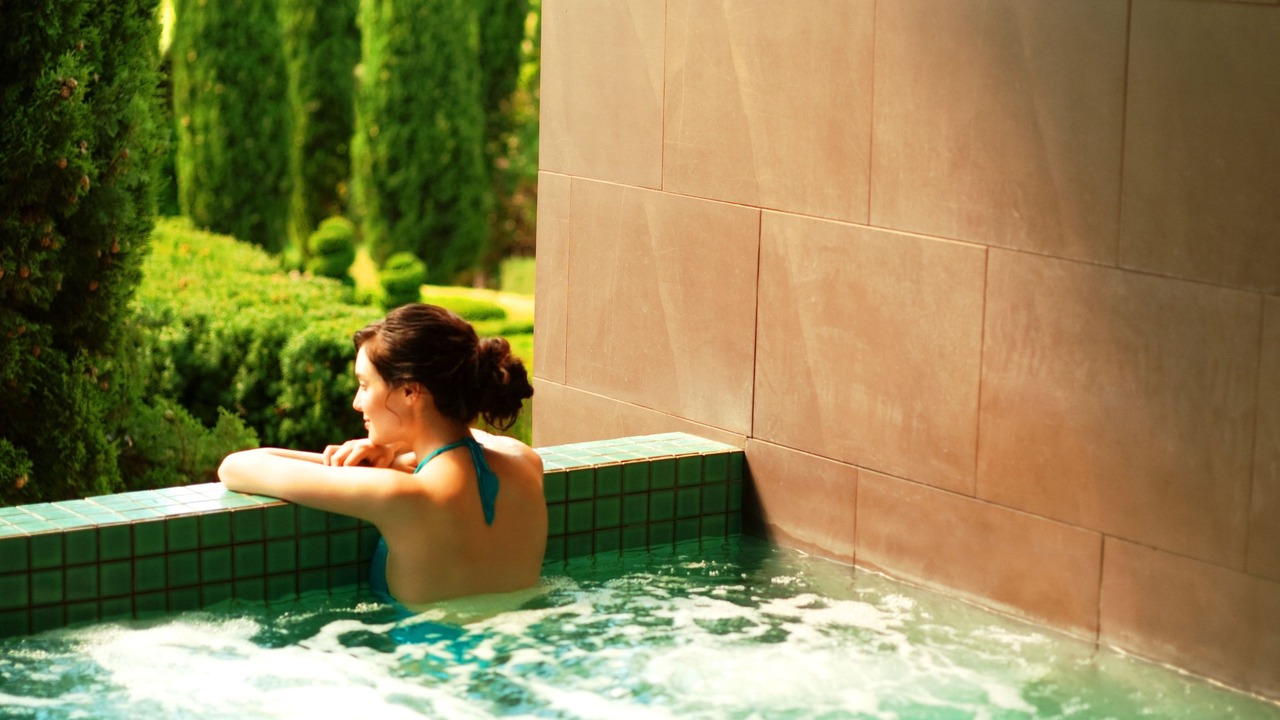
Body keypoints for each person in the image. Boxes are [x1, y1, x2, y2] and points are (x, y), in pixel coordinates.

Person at [219, 303, 546, 607]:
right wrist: (398, 449)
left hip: (425, 665)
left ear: (408, 391)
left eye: (364, 384)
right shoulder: (526, 464)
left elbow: (236, 467)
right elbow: (471, 435)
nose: (357, 403)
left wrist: (367, 465)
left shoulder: (399, 494)